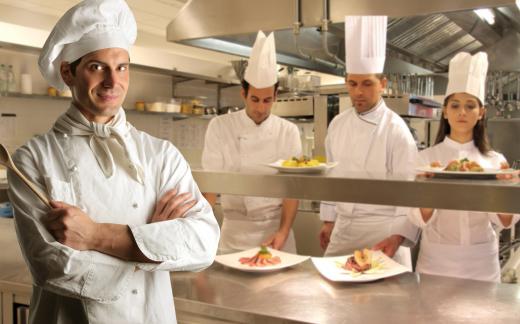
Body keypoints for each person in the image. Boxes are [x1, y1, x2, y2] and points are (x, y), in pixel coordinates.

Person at [7, 1, 219, 323]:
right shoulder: (32, 158)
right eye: (96, 66)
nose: (112, 81)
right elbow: (52, 266)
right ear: (68, 72)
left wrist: (95, 237)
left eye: (122, 67)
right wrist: (152, 242)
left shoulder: (160, 155)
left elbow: (204, 242)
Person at [408, 52, 519, 282]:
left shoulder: (495, 161)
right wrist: (429, 187)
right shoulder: (426, 159)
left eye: (470, 106)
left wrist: (509, 189)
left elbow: (506, 222)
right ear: (445, 111)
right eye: (455, 105)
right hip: (436, 262)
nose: (462, 112)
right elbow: (418, 220)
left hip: (482, 264)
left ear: (481, 113)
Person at [319, 16, 419, 257]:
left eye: (367, 84)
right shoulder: (338, 124)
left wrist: (397, 236)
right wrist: (328, 220)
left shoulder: (396, 130)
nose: (358, 92)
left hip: (384, 231)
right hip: (344, 229)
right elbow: (332, 177)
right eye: (352, 84)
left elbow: (410, 190)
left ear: (383, 83)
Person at [202, 31, 302, 254]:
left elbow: (292, 189)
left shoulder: (288, 132)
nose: (260, 108)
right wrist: (200, 230)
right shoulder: (220, 126)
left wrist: (283, 232)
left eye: (267, 100)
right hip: (233, 233)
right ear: (243, 94)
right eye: (255, 99)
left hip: (275, 230)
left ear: (276, 96)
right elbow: (211, 184)